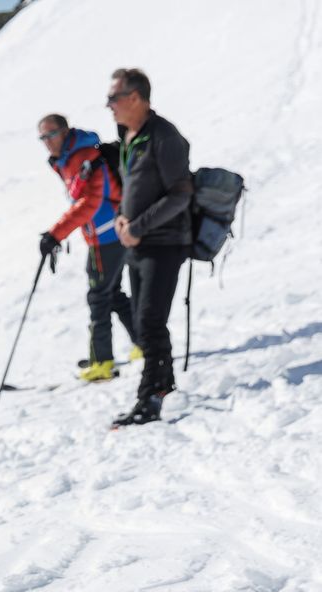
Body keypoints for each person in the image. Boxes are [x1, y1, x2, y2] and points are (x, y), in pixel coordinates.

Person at [107, 68, 192, 425]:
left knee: (150, 321)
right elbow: (133, 188)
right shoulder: (130, 135)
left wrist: (138, 226)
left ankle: (149, 399)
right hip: (138, 243)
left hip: (164, 242)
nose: (108, 105)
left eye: (114, 98)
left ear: (136, 98)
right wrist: (123, 218)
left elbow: (181, 194)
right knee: (147, 323)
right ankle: (164, 381)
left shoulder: (165, 136)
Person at [36, 113, 138, 382]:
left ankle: (102, 362)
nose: (47, 142)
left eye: (51, 135)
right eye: (43, 138)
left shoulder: (84, 158)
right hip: (106, 232)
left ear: (65, 131)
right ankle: (143, 343)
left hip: (106, 235)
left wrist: (55, 234)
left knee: (99, 297)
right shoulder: (70, 159)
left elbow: (90, 203)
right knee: (112, 293)